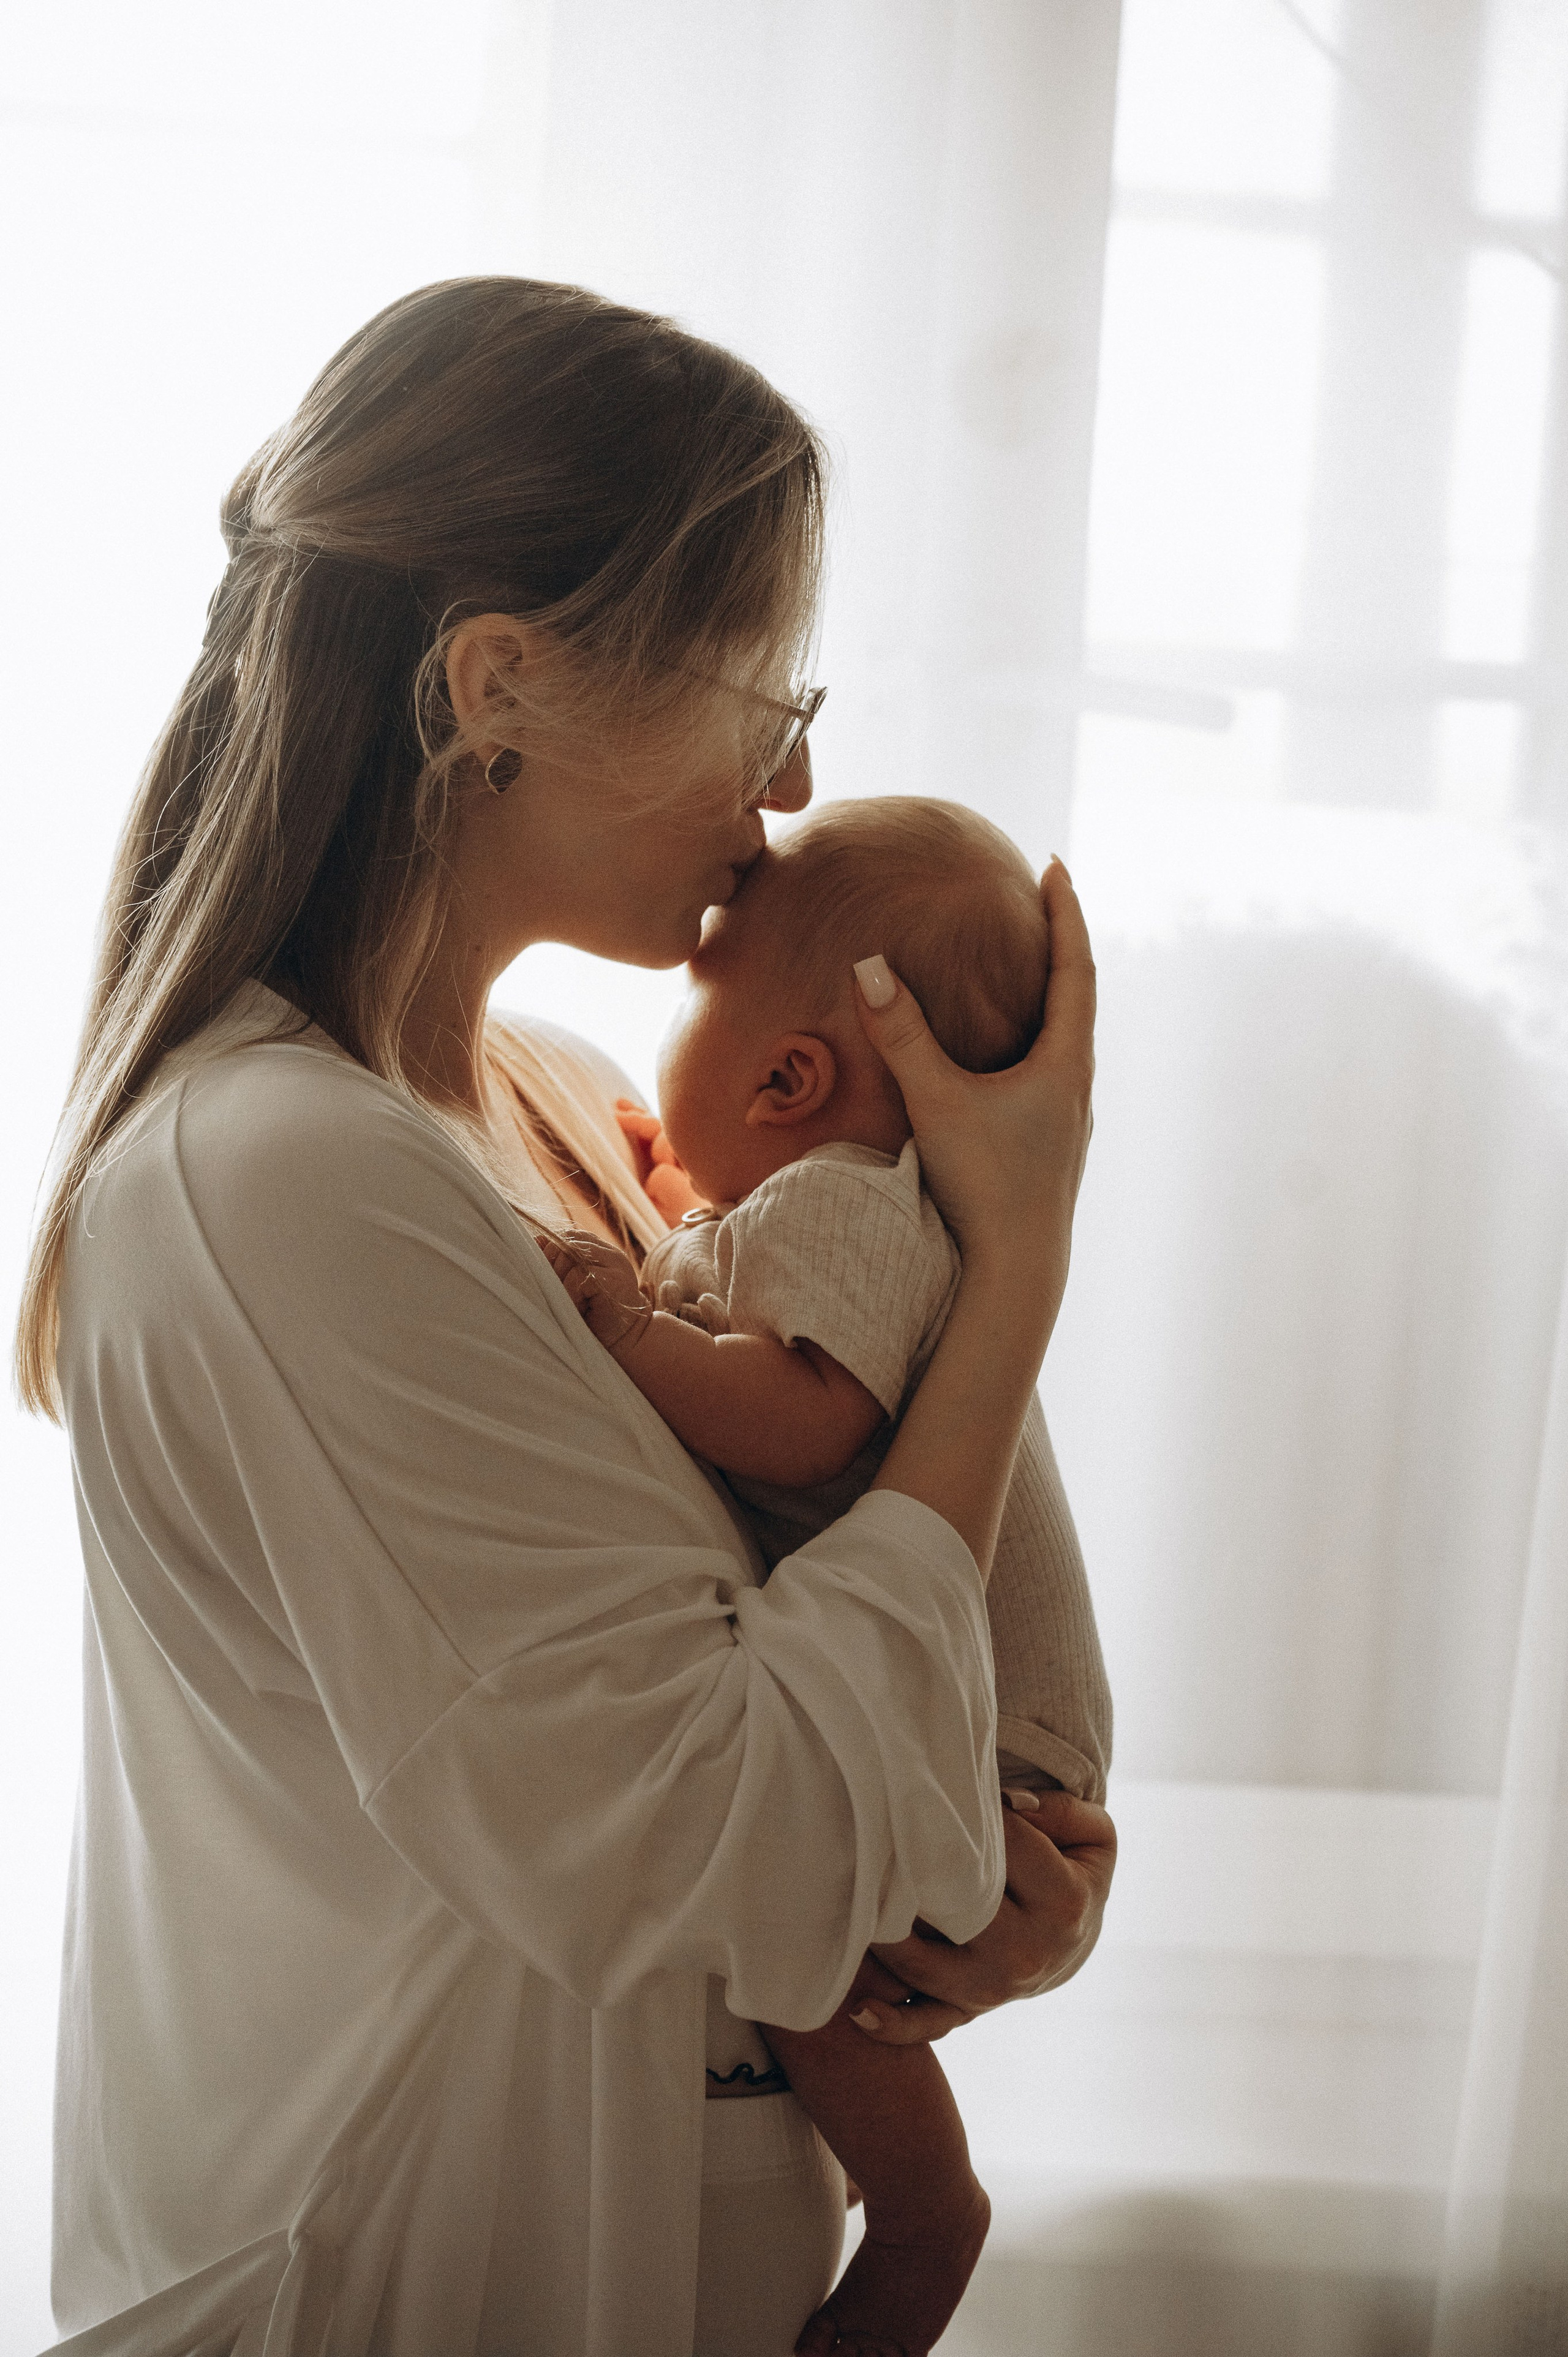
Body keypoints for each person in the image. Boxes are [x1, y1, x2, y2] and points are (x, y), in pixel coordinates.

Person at [14, 277, 1114, 2357]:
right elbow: (746, 1834)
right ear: (501, 680)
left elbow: (805, 1757)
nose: (792, 783)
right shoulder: (289, 1176)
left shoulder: (554, 1107)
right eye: (760, 684)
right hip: (394, 2273)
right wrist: (1017, 1265)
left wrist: (985, 1878)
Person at [541, 793, 1112, 2353]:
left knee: (813, 1958)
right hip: (974, 1706)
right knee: (812, 1932)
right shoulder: (821, 1204)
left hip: (983, 1736)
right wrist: (673, 1216)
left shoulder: (847, 1208)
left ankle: (930, 2211)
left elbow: (801, 1424)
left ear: (790, 1078)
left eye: (694, 1004)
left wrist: (627, 1322)